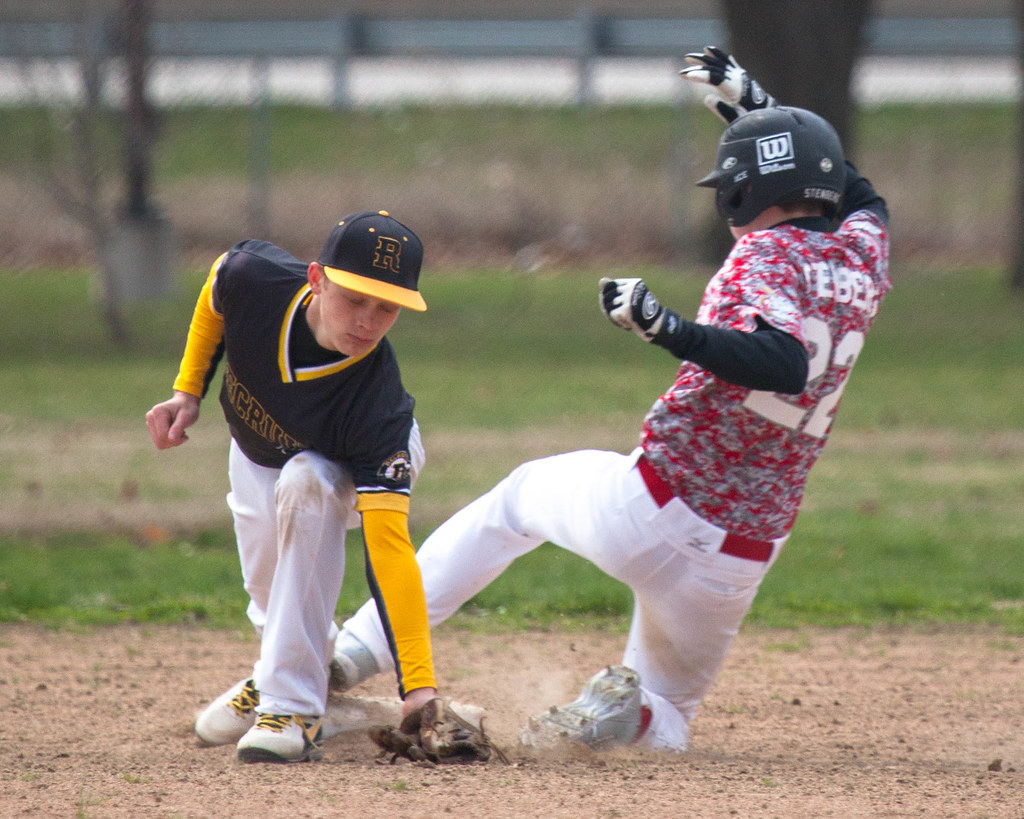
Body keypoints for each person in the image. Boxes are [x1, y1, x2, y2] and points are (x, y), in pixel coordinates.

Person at [328, 46, 892, 752]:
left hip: (652, 505)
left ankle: (355, 649)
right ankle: (633, 715)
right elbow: (855, 188)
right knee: (669, 712)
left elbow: (782, 361)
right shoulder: (863, 250)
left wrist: (668, 328)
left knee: (516, 501)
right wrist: (756, 99)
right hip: (741, 555)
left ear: (745, 193)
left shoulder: (764, 256)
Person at [146, 210, 441, 763]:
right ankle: (280, 666)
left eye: (388, 306)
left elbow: (390, 551)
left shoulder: (377, 411)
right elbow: (217, 287)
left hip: (348, 462)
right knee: (265, 582)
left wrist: (418, 685)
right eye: (354, 297)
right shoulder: (255, 280)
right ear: (316, 278)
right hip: (258, 451)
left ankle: (295, 708)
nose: (368, 320)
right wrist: (188, 389)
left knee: (308, 483)